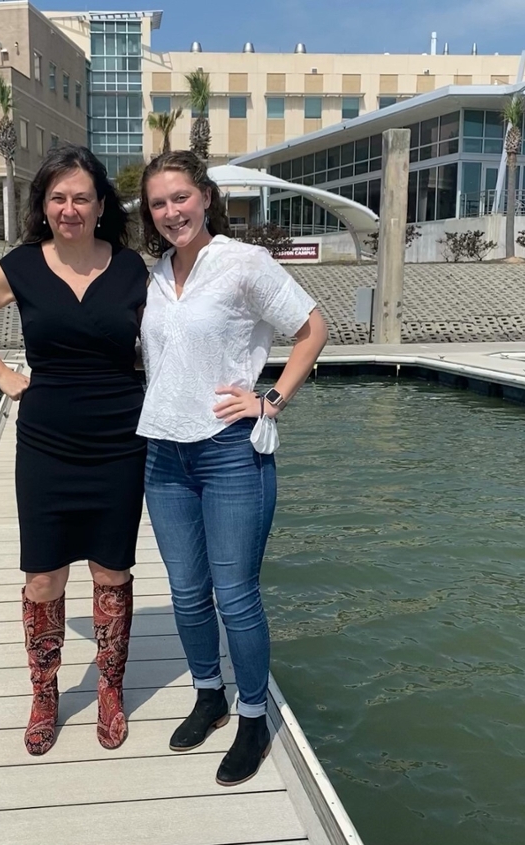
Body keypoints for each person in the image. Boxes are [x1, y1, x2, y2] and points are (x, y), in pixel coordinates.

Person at [0, 144, 148, 756]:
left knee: (112, 570)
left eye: (82, 197)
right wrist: (3, 374)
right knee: (43, 575)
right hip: (47, 441)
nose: (70, 208)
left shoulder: (134, 268)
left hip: (119, 439)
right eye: (58, 197)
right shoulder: (23, 266)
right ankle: (45, 692)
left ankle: (110, 689)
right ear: (44, 206)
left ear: (102, 204)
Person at [137, 150, 328, 787]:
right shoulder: (157, 274)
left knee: (236, 596)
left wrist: (269, 398)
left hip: (229, 452)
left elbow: (312, 329)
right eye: (159, 203)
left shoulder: (244, 264)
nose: (171, 212)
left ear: (206, 197)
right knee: (188, 594)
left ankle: (252, 717)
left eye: (180, 198)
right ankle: (209, 695)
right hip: (163, 455)